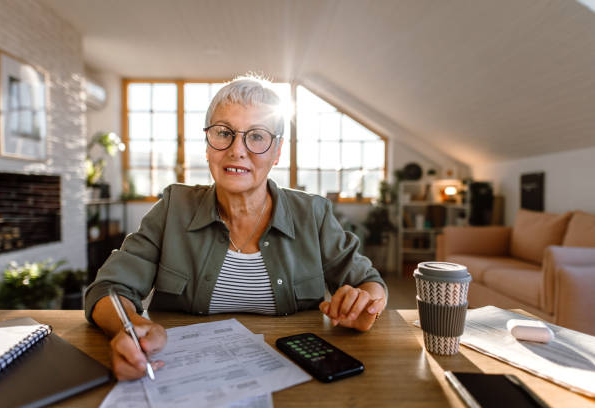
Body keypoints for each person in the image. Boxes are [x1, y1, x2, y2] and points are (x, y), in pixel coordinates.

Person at [84, 76, 388, 381]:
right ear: (207, 145)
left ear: (277, 151)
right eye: (223, 133)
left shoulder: (313, 214)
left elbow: (369, 283)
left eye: (256, 136)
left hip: (295, 377)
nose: (237, 150)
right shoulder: (173, 207)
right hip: (183, 376)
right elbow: (108, 288)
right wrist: (130, 327)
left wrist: (364, 305)